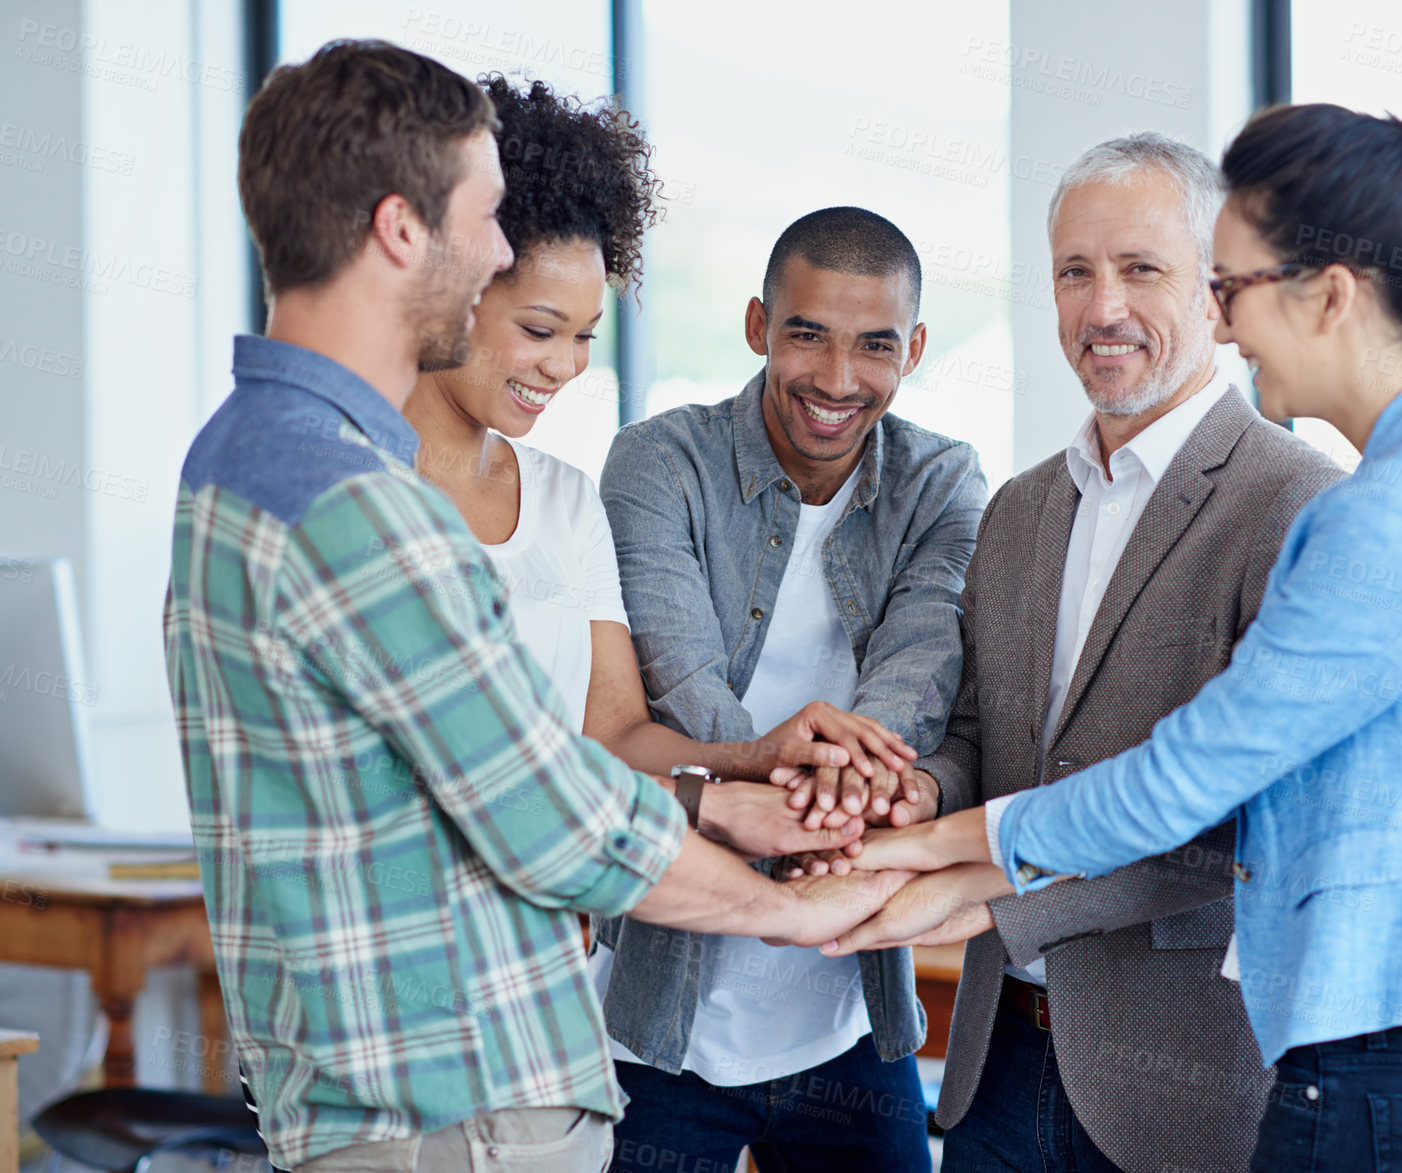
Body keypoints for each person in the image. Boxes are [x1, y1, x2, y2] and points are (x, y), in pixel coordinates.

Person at [163, 41, 909, 1173]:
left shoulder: (235, 456)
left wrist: (722, 794)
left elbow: (557, 766)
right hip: (454, 1104)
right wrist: (802, 914)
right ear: (403, 230)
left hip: (369, 1091)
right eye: (487, 217)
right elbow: (555, 818)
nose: (499, 248)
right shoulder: (362, 508)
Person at [834, 102, 1402, 1173]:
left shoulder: (1364, 511)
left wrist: (937, 860)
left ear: (1327, 293)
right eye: (1071, 271)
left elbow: (1192, 782)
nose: (1230, 325)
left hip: (1392, 1077)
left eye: (1220, 286)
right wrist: (924, 813)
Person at [794, 134, 1342, 1173]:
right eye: (1073, 272)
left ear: (1217, 293)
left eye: (1140, 269)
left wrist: (978, 887)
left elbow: (1244, 823)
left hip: (1181, 1082)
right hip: (998, 1069)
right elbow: (980, 736)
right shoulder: (1018, 508)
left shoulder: (1294, 505)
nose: (1101, 309)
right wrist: (917, 797)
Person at [402, 75, 908, 865]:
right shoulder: (354, 499)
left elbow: (615, 737)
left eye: (584, 336)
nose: (565, 367)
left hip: (543, 960)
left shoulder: (564, 501)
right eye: (541, 328)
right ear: (450, 292)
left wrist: (757, 759)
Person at [592, 207, 987, 1173]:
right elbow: (681, 694)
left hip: (845, 1022)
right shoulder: (658, 462)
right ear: (758, 325)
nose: (837, 379)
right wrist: (812, 804)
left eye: (875, 345)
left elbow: (919, 677)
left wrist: (829, 794)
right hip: (652, 1027)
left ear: (916, 348)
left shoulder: (942, 482)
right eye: (807, 333)